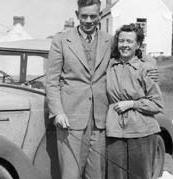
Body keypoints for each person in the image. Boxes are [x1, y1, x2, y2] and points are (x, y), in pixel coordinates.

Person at [45, 0, 114, 178]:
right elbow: (51, 81)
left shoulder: (109, 40)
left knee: (96, 175)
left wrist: (150, 68)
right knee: (71, 174)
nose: (89, 20)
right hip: (70, 120)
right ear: (77, 15)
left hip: (100, 121)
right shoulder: (61, 40)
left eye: (93, 16)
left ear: (100, 15)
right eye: (84, 16)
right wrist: (58, 112)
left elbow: (130, 56)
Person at [105, 23, 164, 179]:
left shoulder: (146, 68)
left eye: (129, 41)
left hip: (142, 131)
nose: (124, 45)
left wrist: (132, 104)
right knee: (114, 175)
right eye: (121, 41)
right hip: (114, 130)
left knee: (139, 176)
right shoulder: (109, 66)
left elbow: (157, 104)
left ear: (138, 44)